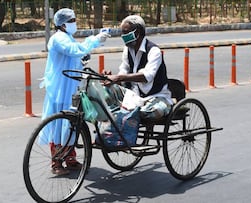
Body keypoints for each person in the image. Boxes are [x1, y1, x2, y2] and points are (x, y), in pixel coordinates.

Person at [39, 8, 110, 176]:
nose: (74, 23)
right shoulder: (58, 38)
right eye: (72, 21)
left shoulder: (67, 37)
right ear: (62, 24)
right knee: (58, 124)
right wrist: (95, 40)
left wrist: (82, 58)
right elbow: (74, 50)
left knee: (72, 123)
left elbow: (74, 57)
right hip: (59, 89)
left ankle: (70, 158)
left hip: (71, 87)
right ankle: (56, 162)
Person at [104, 15, 173, 119]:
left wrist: (119, 78)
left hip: (157, 97)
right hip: (134, 96)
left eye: (126, 33)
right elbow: (123, 71)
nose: (123, 36)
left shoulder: (154, 51)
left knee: (145, 113)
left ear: (137, 32)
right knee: (105, 93)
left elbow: (147, 76)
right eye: (122, 33)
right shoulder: (127, 50)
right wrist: (112, 79)